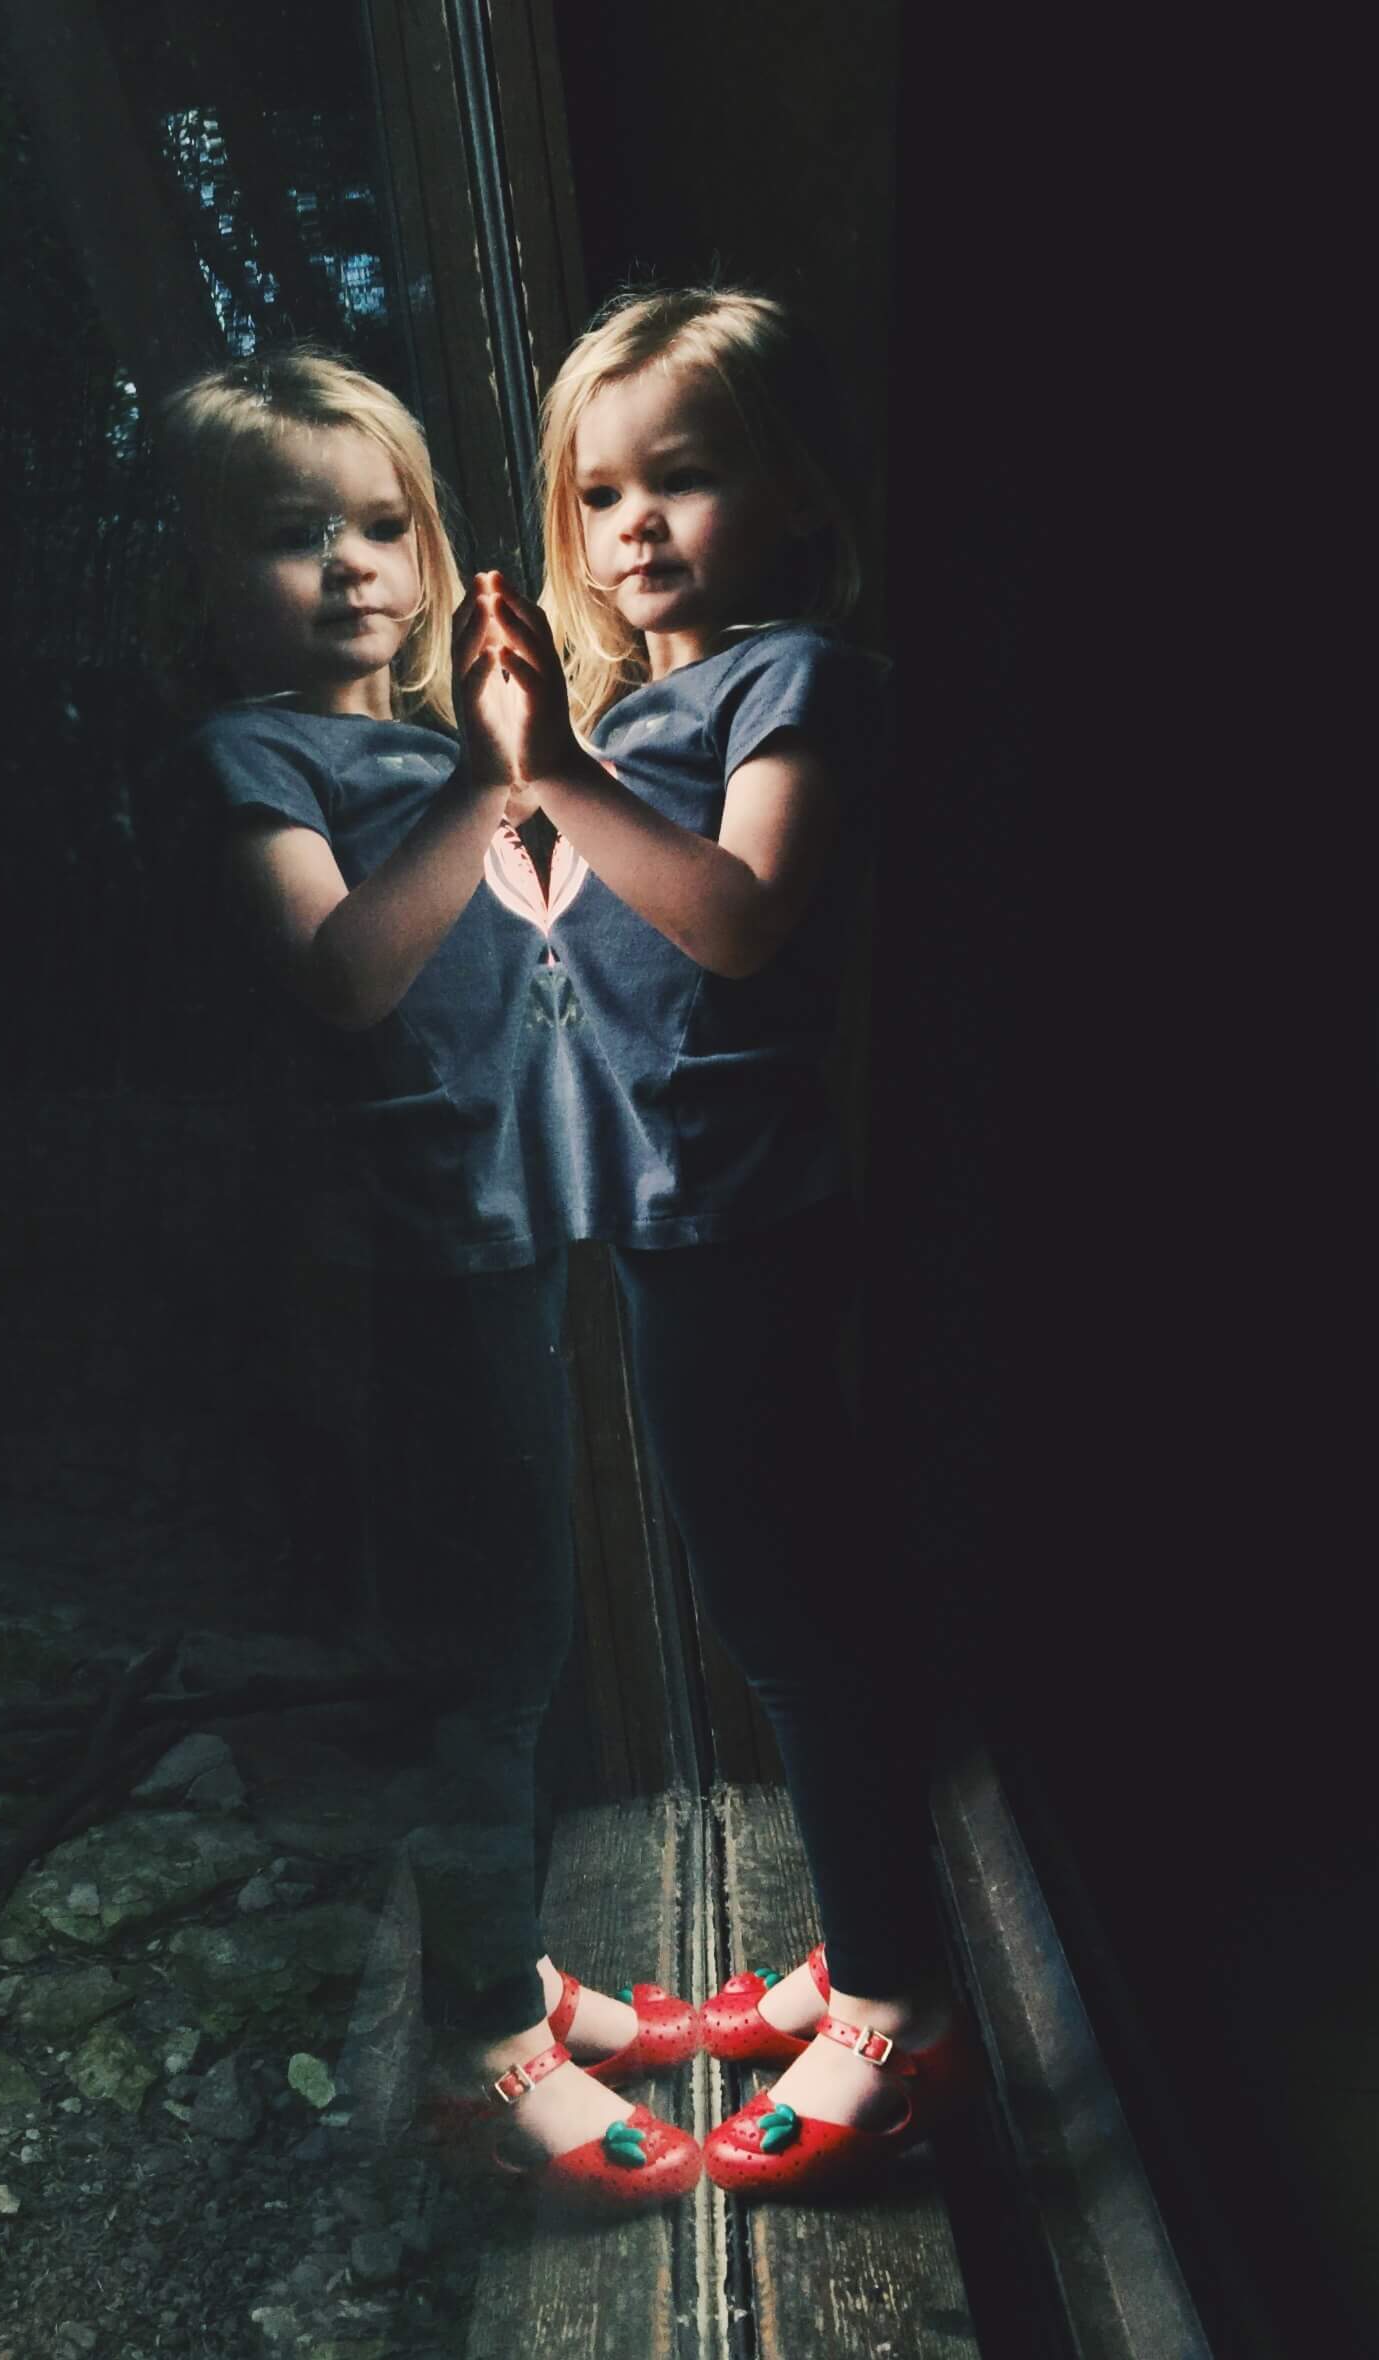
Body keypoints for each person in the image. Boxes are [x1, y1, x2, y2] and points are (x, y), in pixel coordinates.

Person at [155, 350, 702, 2207]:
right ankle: (484, 2041)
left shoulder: (437, 752)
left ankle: (524, 1987)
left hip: (543, 1210)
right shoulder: (265, 757)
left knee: (542, 1623)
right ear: (208, 576)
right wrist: (489, 778)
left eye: (381, 524)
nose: (351, 566)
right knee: (489, 1644)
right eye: (293, 534)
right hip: (419, 1249)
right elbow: (345, 974)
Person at [469, 284, 981, 2194]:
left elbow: (743, 914)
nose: (633, 528)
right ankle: (860, 1960)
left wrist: (561, 772)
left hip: (748, 1223)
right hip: (667, 1221)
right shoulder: (647, 710)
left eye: (683, 478)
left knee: (796, 1621)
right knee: (763, 1599)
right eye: (600, 493)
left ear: (790, 494)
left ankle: (903, 2016)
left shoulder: (799, 680)